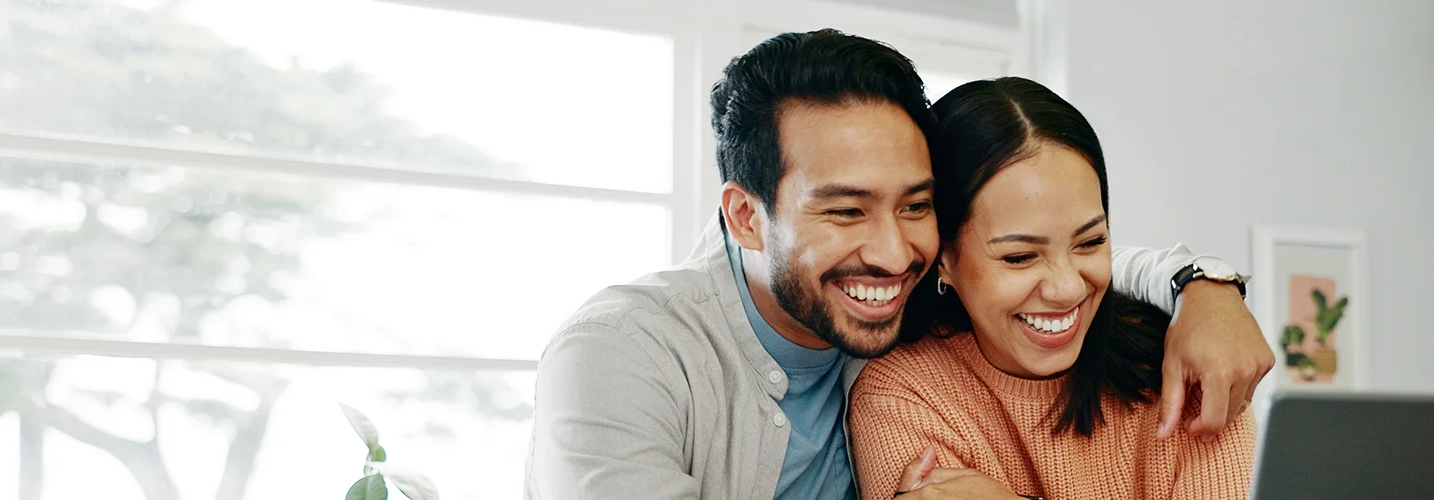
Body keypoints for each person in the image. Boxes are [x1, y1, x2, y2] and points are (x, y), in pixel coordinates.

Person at [526, 30, 1271, 500]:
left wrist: (1206, 285)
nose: (892, 252)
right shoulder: (623, 351)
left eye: (915, 206)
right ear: (746, 215)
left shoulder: (894, 306)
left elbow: (1045, 257)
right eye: (846, 210)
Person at [847, 77, 1258, 500]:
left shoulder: (1188, 372)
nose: (1066, 288)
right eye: (1020, 257)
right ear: (944, 258)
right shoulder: (903, 391)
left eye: (1090, 242)